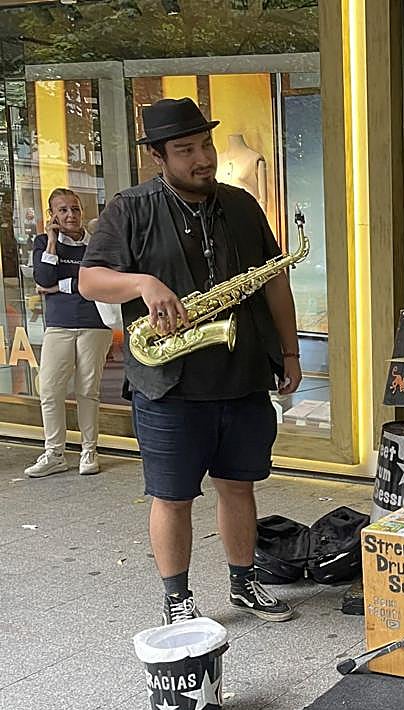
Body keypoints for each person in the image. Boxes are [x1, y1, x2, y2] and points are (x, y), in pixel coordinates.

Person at [78, 98, 302, 626]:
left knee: (238, 485)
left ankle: (244, 583)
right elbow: (90, 280)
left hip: (241, 372)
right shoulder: (129, 208)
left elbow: (274, 282)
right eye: (186, 150)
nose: (202, 158)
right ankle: (178, 599)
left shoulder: (242, 205)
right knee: (172, 496)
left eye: (205, 145)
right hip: (168, 383)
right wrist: (142, 283)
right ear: (158, 156)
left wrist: (289, 351)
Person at [24, 188, 114, 478]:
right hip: (59, 325)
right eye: (62, 210)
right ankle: (54, 453)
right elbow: (43, 278)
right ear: (53, 215)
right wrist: (52, 241)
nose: (70, 215)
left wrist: (62, 286)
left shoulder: (95, 245)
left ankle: (89, 450)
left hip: (94, 324)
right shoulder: (43, 242)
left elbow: (98, 283)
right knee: (49, 389)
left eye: (75, 209)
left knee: (88, 390)